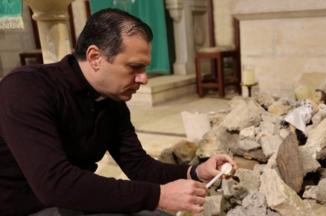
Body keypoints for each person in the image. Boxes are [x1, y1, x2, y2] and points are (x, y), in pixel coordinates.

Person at [0, 8, 236, 216]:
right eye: (134, 67)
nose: (143, 78)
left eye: (145, 68)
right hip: (26, 207)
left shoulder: (112, 101)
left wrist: (195, 171)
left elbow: (140, 167)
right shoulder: (25, 89)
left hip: (76, 200)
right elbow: (54, 183)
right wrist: (158, 196)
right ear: (95, 57)